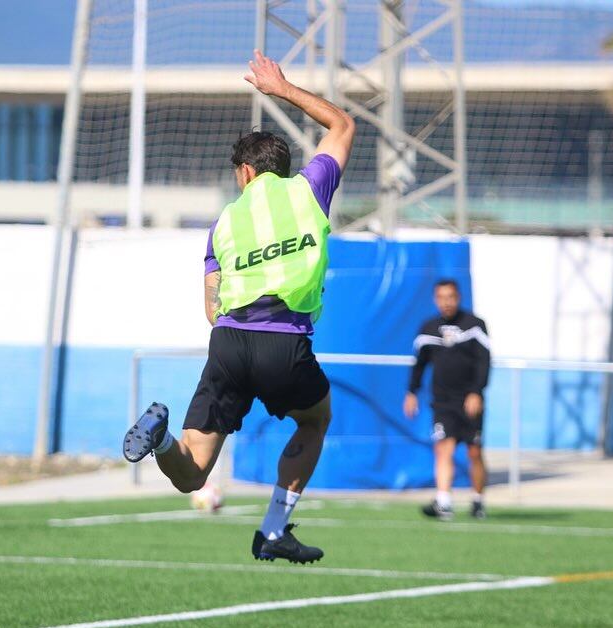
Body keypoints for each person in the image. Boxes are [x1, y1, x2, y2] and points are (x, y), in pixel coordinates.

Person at [122, 50, 354, 564]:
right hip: (283, 339)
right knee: (315, 419)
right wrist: (283, 88)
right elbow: (341, 123)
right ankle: (273, 528)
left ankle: (159, 442)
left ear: (246, 172)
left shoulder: (222, 224)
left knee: (192, 472)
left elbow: (212, 307)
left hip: (226, 340)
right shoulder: (309, 189)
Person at [404, 279, 490, 520]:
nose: (446, 302)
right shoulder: (428, 328)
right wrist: (412, 392)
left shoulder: (474, 326)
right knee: (444, 448)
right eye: (441, 297)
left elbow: (484, 362)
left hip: (469, 400)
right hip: (442, 402)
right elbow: (419, 364)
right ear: (435, 299)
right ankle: (444, 502)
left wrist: (477, 391)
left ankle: (478, 500)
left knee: (474, 452)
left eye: (450, 297)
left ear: (458, 297)